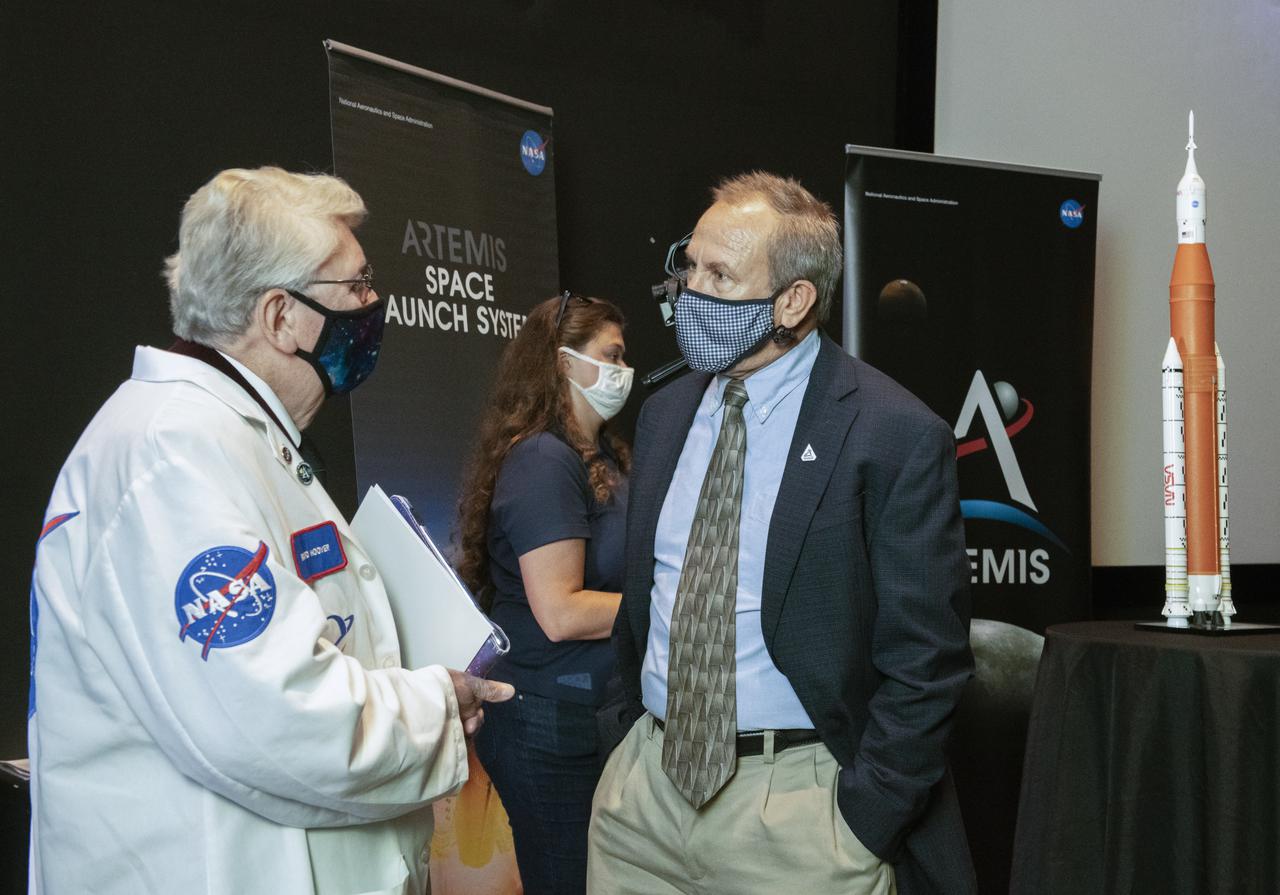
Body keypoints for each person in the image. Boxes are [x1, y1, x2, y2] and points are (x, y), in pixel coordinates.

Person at [26, 167, 513, 895]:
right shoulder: (172, 452)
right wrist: (438, 704)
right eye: (357, 285)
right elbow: (275, 716)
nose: (374, 304)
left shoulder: (223, 436)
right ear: (281, 317)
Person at [587, 172, 976, 895]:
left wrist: (865, 819)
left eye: (719, 275)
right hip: (641, 805)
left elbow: (928, 657)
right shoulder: (665, 414)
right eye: (688, 266)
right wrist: (622, 738)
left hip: (799, 817)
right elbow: (646, 599)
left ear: (793, 301)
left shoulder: (893, 433)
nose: (688, 291)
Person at [458, 292, 633, 895]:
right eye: (611, 356)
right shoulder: (543, 460)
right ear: (563, 363)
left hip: (594, 712)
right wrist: (673, 607)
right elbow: (561, 611)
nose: (624, 370)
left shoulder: (602, 457)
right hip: (546, 720)